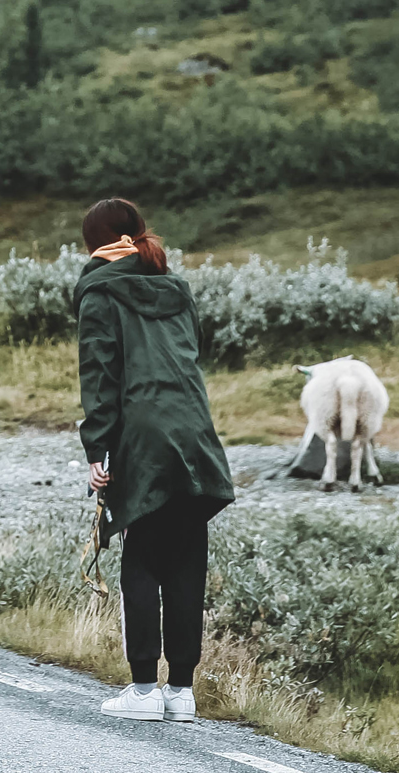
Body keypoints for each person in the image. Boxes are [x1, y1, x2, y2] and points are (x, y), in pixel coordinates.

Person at [75, 197, 234, 723]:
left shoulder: (99, 292)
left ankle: (143, 690)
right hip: (195, 431)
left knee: (141, 554)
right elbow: (192, 356)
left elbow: (100, 376)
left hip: (142, 434)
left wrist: (99, 448)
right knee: (187, 556)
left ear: (94, 242)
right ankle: (181, 692)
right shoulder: (177, 288)